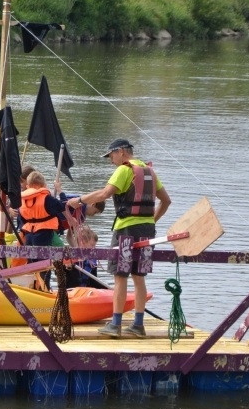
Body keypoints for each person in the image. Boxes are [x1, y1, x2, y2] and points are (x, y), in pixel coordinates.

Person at [67, 138, 171, 338]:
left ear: (121, 152)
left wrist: (79, 200)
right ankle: (138, 325)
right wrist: (151, 221)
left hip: (126, 231)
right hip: (147, 230)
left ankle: (115, 324)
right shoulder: (150, 172)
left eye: (111, 155)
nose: (110, 160)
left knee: (120, 276)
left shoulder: (124, 170)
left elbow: (104, 194)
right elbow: (166, 201)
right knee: (139, 277)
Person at [18, 170, 67, 290]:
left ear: (28, 185)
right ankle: (45, 290)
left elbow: (21, 219)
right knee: (44, 266)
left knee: (32, 265)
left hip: (29, 235)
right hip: (43, 234)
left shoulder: (23, 200)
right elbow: (63, 206)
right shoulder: (46, 198)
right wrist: (60, 191)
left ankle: (33, 290)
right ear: (42, 185)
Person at [54, 178, 105, 247]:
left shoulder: (81, 218)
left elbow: (69, 237)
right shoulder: (78, 203)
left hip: (56, 232)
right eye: (95, 212)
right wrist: (70, 218)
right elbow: (62, 206)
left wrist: (77, 249)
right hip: (49, 228)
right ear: (93, 204)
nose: (93, 215)